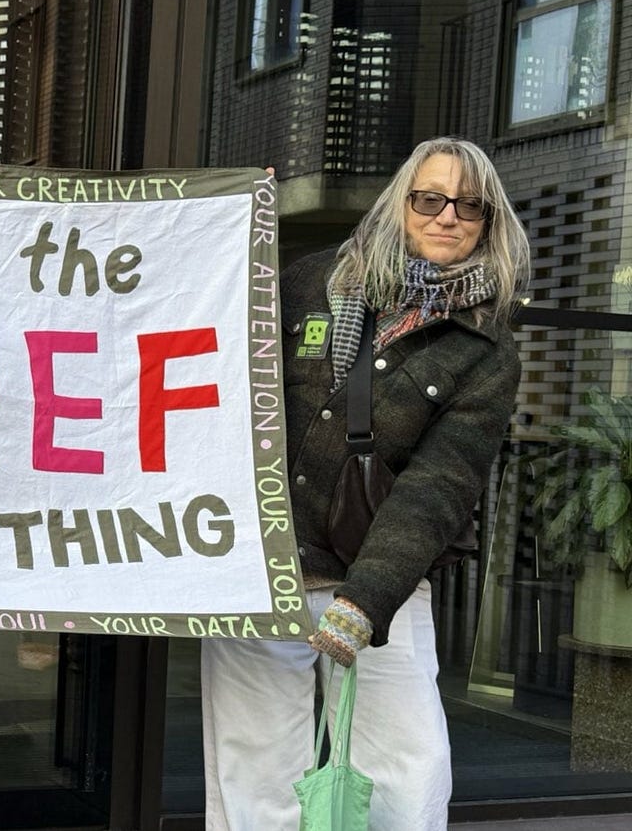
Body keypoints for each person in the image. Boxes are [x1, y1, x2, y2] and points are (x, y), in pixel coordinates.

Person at [200, 137, 530, 830]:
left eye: (469, 205)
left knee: (406, 773)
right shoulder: (306, 284)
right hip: (265, 569)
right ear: (402, 201)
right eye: (430, 198)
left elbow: (440, 485)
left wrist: (365, 601)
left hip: (380, 579)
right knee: (254, 770)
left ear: (489, 220)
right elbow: (207, 329)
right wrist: (235, 217)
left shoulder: (485, 348)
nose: (448, 216)